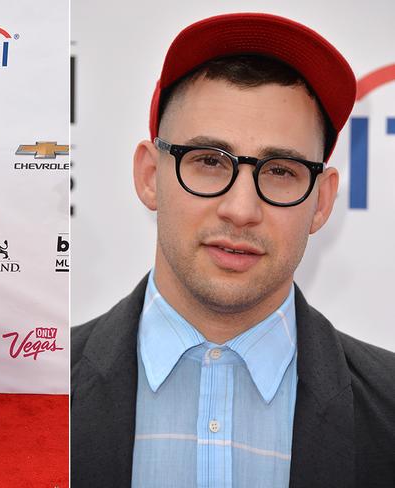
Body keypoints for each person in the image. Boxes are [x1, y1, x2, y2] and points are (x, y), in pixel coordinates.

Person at [71, 12, 395, 487]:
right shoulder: (37, 393)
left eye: (281, 170)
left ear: (321, 201)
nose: (241, 209)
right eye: (207, 161)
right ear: (149, 176)